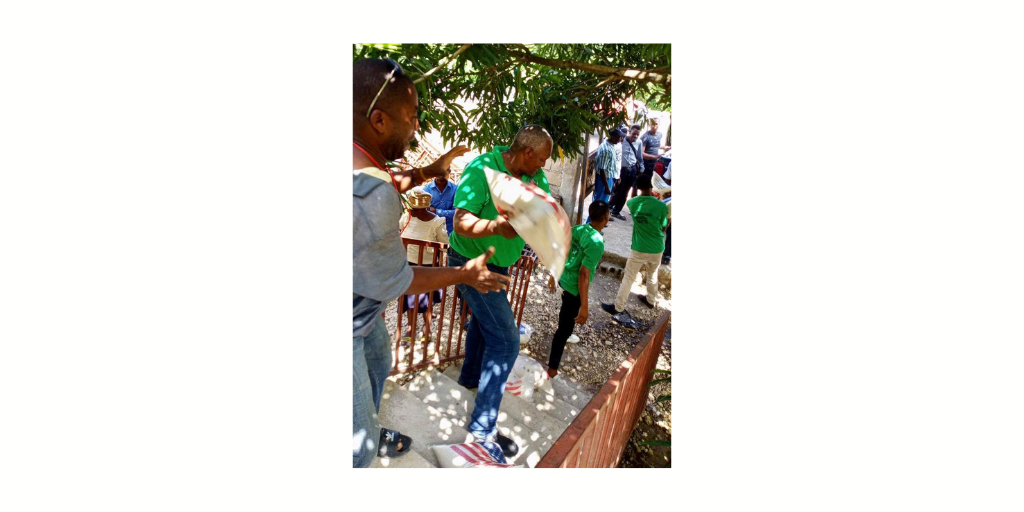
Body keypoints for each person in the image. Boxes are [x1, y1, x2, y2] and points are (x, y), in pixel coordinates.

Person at [352, 58, 510, 468]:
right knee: (357, 449)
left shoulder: (359, 160)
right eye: (413, 117)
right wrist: (464, 274)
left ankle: (367, 423)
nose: (417, 127)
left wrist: (425, 171)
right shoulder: (371, 198)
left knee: (379, 363)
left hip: (362, 311)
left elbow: (380, 179)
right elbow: (399, 279)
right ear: (380, 120)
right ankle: (360, 441)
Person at [446, 124, 554, 458]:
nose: (543, 168)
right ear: (527, 153)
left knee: (484, 324)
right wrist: (497, 226)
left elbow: (544, 211)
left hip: (502, 264)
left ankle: (468, 379)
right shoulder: (482, 169)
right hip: (471, 261)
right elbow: (460, 221)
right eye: (541, 161)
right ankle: (482, 428)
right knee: (506, 340)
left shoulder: (535, 179)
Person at [544, 201, 609, 378]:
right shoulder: (596, 243)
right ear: (606, 217)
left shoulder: (578, 229)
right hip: (574, 289)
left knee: (567, 318)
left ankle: (568, 332)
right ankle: (552, 369)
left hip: (564, 281)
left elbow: (561, 251)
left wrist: (553, 275)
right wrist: (585, 306)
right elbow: (583, 275)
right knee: (562, 329)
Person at [601, 174, 668, 324]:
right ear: (652, 187)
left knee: (629, 278)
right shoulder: (661, 206)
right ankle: (651, 300)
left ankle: (618, 307)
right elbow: (663, 226)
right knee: (652, 274)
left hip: (639, 247)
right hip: (656, 247)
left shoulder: (632, 203)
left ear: (637, 188)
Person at [398, 188, 450, 342]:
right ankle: (410, 328)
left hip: (428, 266)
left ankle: (426, 328)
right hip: (408, 264)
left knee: (427, 299)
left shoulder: (437, 222)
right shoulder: (406, 218)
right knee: (409, 298)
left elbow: (444, 243)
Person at [610, 124, 643, 220]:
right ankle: (608, 209)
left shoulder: (639, 142)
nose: (635, 136)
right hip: (621, 170)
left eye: (637, 134)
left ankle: (616, 211)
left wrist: (641, 169)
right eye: (634, 134)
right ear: (629, 132)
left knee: (625, 192)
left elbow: (639, 157)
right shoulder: (622, 140)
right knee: (616, 190)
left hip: (632, 170)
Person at [634, 118, 671, 199]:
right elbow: (642, 153)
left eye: (656, 124)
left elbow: (656, 146)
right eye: (652, 124)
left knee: (651, 184)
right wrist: (654, 157)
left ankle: (649, 201)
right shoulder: (645, 136)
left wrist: (667, 147)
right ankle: (635, 201)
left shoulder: (659, 135)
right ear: (649, 125)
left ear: (659, 125)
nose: (654, 126)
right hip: (645, 164)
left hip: (654, 165)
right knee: (640, 185)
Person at [592, 129, 622, 205]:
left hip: (608, 178)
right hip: (604, 180)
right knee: (599, 204)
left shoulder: (611, 145)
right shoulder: (606, 150)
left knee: (602, 203)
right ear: (613, 137)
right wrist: (607, 186)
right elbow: (602, 170)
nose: (620, 139)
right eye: (619, 137)